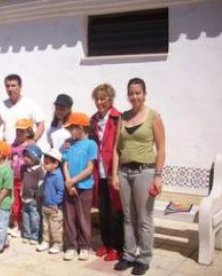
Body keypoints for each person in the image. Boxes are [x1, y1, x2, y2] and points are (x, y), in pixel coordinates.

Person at [112, 78, 165, 275]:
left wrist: (158, 176)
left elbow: (161, 148)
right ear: (128, 95)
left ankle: (144, 257)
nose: (135, 97)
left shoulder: (153, 116)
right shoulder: (123, 117)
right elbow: (117, 149)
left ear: (144, 94)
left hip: (145, 171)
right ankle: (128, 255)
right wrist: (115, 174)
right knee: (128, 217)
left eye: (138, 93)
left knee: (144, 218)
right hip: (125, 172)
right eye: (131, 93)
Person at [89, 84, 123, 261]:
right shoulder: (93, 120)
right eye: (97, 98)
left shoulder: (118, 119)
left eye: (103, 98)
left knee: (115, 211)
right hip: (99, 173)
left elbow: (121, 146)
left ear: (110, 99)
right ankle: (106, 243)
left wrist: (117, 172)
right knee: (102, 211)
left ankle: (117, 247)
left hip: (113, 171)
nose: (100, 102)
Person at [62, 112, 97, 261]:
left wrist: (74, 181)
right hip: (69, 186)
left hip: (84, 187)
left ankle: (84, 246)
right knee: (69, 218)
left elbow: (90, 168)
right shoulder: (68, 144)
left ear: (81, 128)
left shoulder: (91, 144)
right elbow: (65, 164)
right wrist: (68, 182)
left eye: (72, 128)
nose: (70, 132)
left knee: (83, 218)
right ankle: (71, 246)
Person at [0, 74, 45, 143]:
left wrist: (34, 140)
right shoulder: (2, 105)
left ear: (20, 87)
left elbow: (41, 125)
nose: (10, 89)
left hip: (25, 150)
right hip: (8, 149)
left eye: (13, 85)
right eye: (7, 86)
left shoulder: (30, 103)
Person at [9, 118, 35, 238]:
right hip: (14, 178)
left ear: (28, 132)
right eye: (17, 130)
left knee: (25, 203)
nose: (18, 133)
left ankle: (25, 227)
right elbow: (9, 159)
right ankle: (16, 225)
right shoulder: (13, 145)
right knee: (15, 203)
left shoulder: (30, 146)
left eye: (22, 131)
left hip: (25, 178)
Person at [36, 148, 64, 254]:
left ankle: (57, 244)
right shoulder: (47, 174)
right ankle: (46, 241)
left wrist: (56, 203)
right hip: (45, 205)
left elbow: (61, 191)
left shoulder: (58, 176)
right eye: (44, 162)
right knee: (46, 226)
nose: (44, 165)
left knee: (55, 227)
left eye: (47, 163)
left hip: (55, 208)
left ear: (55, 163)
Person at [21, 144, 45, 245]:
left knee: (35, 217)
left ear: (35, 158)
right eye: (25, 156)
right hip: (25, 198)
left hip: (34, 199)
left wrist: (36, 196)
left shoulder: (39, 170)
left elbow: (41, 185)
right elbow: (24, 182)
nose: (25, 159)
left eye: (28, 156)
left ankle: (35, 236)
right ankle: (27, 234)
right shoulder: (25, 169)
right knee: (25, 217)